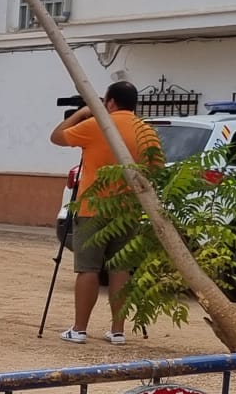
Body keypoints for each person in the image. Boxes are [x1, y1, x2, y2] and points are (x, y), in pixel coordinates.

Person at [49, 81, 162, 344]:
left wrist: (83, 112)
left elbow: (56, 137)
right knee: (120, 268)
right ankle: (118, 330)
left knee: (88, 268)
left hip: (93, 207)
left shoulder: (98, 126)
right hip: (129, 210)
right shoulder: (146, 131)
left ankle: (79, 329)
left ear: (109, 102)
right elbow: (156, 168)